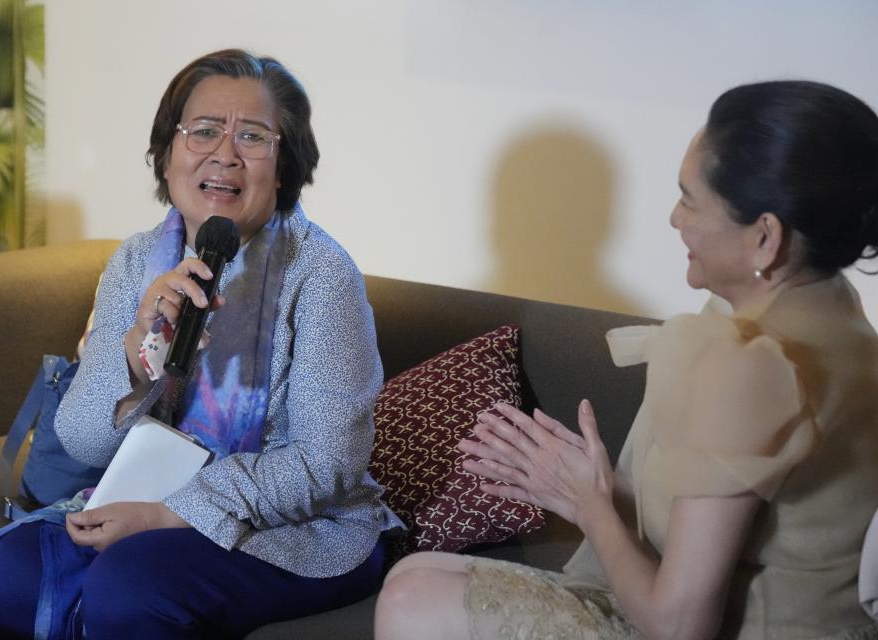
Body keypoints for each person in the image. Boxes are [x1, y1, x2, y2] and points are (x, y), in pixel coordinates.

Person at [375, 80, 878, 639]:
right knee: (420, 571)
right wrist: (592, 489)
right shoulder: (838, 311)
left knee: (412, 598)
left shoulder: (745, 364)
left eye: (689, 199)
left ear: (765, 237)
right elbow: (741, 522)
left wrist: (588, 504)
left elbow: (680, 625)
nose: (674, 219)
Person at [0, 48, 402, 639]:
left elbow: (327, 464)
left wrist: (174, 512)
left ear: (283, 167)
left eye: (252, 137)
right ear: (169, 152)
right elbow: (81, 438)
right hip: (143, 498)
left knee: (130, 584)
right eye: (203, 131)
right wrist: (133, 358)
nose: (224, 154)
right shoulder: (136, 261)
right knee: (20, 566)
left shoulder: (322, 276)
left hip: (295, 528)